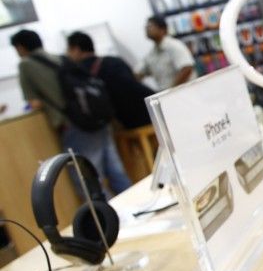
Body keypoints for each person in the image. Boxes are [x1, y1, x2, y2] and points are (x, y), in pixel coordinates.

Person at [12, 29, 132, 195]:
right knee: (115, 170)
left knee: (89, 180)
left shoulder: (25, 65)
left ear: (20, 47)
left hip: (74, 125)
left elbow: (35, 103)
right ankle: (138, 210)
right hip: (96, 117)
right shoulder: (61, 58)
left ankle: (109, 218)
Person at [66, 31, 154, 130]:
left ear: (76, 49)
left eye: (69, 50)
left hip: (125, 124)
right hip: (150, 109)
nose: (67, 54)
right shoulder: (114, 61)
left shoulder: (79, 73)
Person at [137, 16, 194, 91]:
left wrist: (171, 91)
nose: (147, 29)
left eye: (150, 26)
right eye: (146, 26)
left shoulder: (174, 46)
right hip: (167, 96)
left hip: (183, 93)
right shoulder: (152, 53)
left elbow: (187, 68)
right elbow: (139, 73)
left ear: (162, 29)